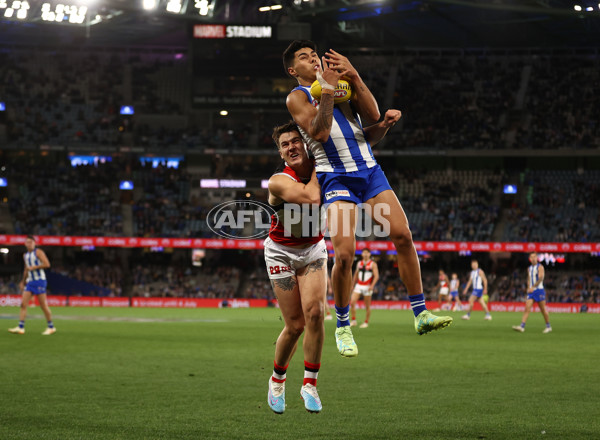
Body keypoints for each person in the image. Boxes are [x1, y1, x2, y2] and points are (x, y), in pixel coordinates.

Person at [282, 40, 452, 357]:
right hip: (335, 177)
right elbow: (319, 134)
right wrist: (329, 91)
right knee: (345, 254)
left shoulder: (342, 85)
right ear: (294, 70)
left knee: (402, 234)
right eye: (305, 58)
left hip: (370, 171)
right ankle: (344, 326)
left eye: (315, 55)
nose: (313, 60)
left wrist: (356, 77)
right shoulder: (298, 97)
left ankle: (421, 314)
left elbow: (370, 118)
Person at [265, 121, 328, 414]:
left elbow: (362, 145)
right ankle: (277, 380)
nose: (291, 147)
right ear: (280, 152)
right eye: (284, 144)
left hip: (313, 249)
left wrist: (384, 125)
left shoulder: (321, 163)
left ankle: (310, 384)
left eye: (295, 141)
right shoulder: (278, 180)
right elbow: (312, 197)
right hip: (281, 254)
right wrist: (323, 161)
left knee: (315, 314)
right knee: (295, 325)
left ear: (304, 143)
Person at [8, 235, 56, 335]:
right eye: (28, 242)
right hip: (30, 282)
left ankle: (51, 327)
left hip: (40, 281)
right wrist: (23, 281)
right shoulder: (25, 255)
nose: (29, 244)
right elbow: (26, 269)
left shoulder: (38, 252)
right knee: (23, 304)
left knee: (43, 305)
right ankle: (21, 327)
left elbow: (47, 264)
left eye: (31, 242)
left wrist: (35, 267)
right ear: (25, 244)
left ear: (34, 243)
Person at [512, 252, 552, 333]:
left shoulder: (540, 267)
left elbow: (541, 278)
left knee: (543, 309)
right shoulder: (529, 268)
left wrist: (533, 287)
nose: (533, 258)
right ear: (529, 259)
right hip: (531, 291)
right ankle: (522, 326)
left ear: (537, 258)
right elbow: (529, 279)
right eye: (531, 257)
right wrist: (528, 288)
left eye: (534, 257)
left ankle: (548, 326)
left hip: (539, 290)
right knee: (527, 308)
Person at [350, 248, 379, 328]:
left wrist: (372, 285)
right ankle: (353, 320)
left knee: (367, 306)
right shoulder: (359, 263)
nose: (365, 254)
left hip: (367, 286)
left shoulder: (373, 264)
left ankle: (366, 322)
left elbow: (376, 276)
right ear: (362, 254)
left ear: (369, 254)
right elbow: (356, 274)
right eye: (364, 253)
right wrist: (352, 284)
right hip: (359, 285)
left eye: (367, 253)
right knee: (352, 302)